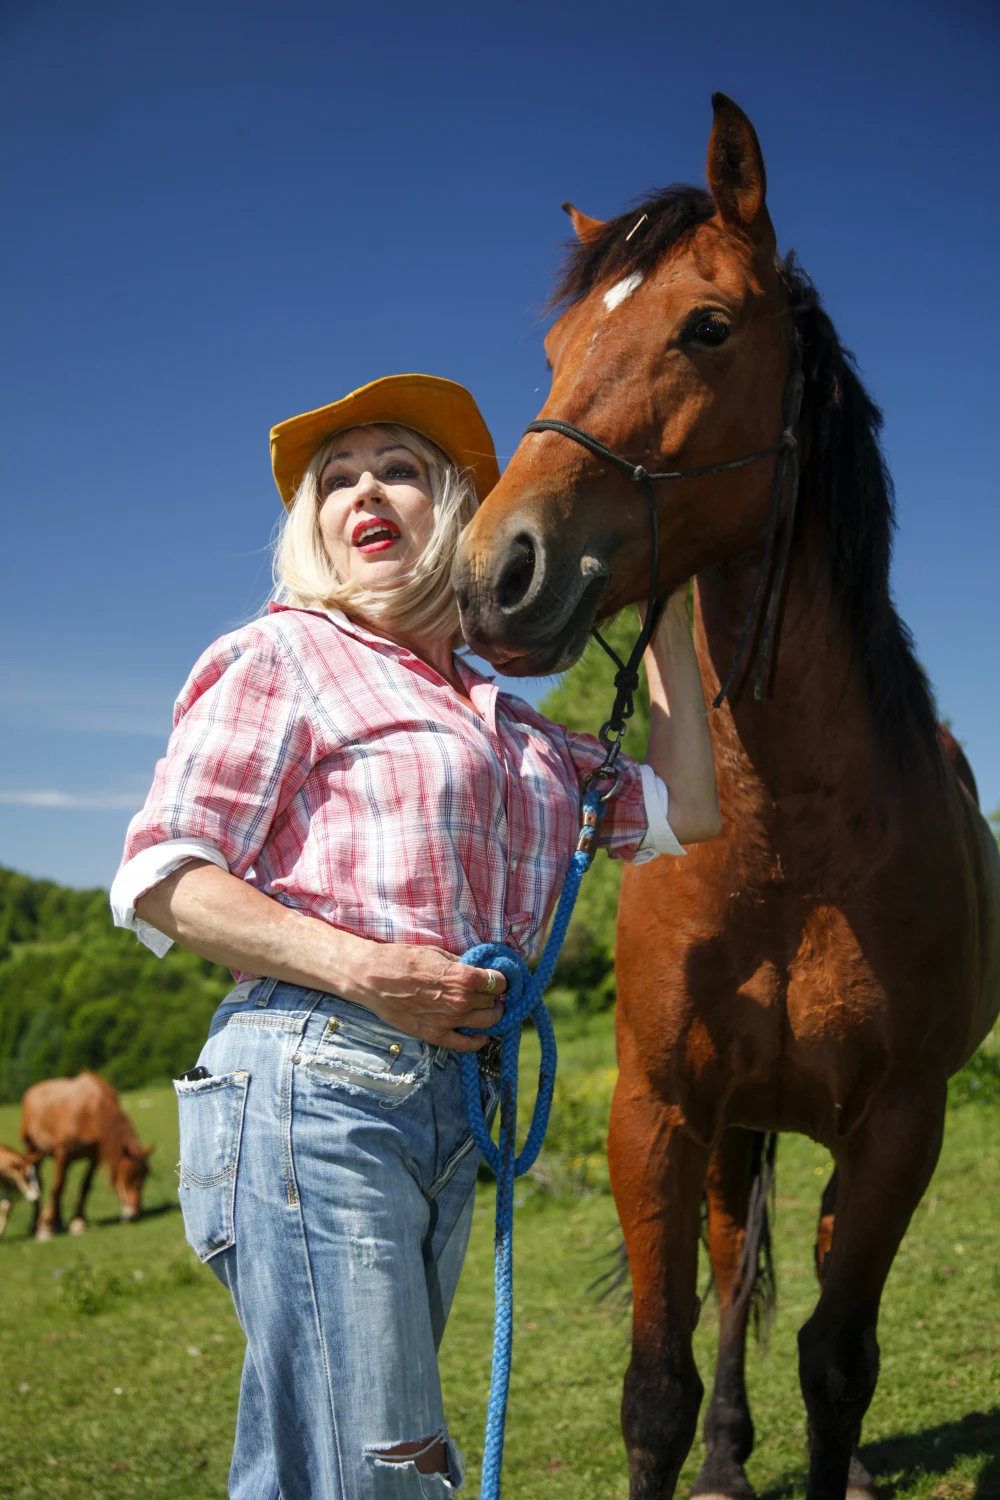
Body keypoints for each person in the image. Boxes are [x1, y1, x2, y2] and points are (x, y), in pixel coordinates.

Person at [110, 373, 720, 1499]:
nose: (362, 491)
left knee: (320, 1465)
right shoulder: (280, 656)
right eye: (336, 481)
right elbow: (162, 874)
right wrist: (364, 968)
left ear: (457, 509)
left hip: (446, 1109)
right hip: (313, 1081)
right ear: (316, 532)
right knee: (383, 1468)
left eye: (396, 468)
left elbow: (688, 810)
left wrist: (667, 615)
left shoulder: (512, 726)